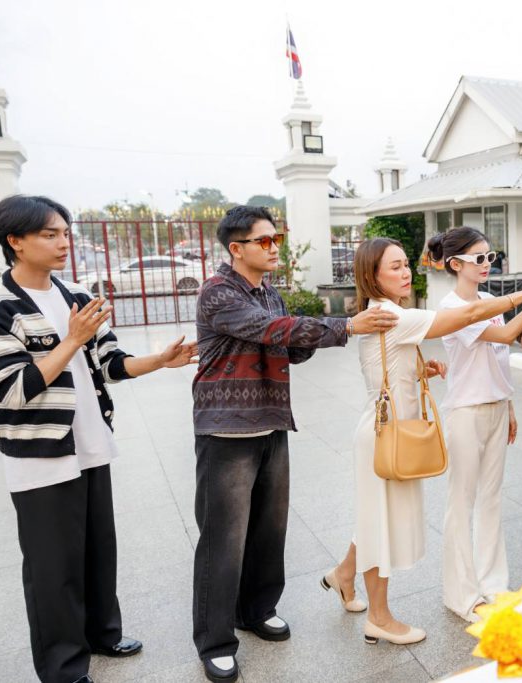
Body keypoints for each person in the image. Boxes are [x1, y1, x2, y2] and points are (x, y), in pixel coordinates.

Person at [0, 195, 199, 683]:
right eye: (50, 234)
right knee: (53, 568)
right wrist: (70, 340)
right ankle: (63, 667)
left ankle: (102, 634)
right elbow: (11, 389)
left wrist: (159, 361)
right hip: (39, 454)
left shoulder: (74, 294)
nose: (63, 243)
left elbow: (109, 363)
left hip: (90, 444)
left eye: (66, 233)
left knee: (97, 551)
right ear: (15, 241)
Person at [190, 206, 399, 683]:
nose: (273, 248)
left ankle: (256, 610)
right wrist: (346, 326)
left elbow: (287, 344)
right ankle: (215, 641)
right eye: (263, 241)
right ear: (236, 248)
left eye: (276, 239)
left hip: (270, 421)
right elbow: (269, 330)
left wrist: (310, 336)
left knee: (269, 529)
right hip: (226, 430)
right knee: (223, 540)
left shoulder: (270, 293)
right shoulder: (218, 292)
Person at [324, 238, 522, 644]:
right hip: (384, 434)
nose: (406, 273)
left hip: (393, 429)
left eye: (405, 264)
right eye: (395, 267)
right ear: (372, 276)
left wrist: (422, 370)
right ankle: (379, 618)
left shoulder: (390, 313)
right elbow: (468, 315)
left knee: (378, 518)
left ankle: (344, 574)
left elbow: (385, 367)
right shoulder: (389, 314)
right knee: (379, 524)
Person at [427, 227, 522, 622]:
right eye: (479, 258)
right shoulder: (451, 307)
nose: (487, 264)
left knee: (491, 500)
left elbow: (499, 356)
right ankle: (461, 595)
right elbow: (505, 335)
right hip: (466, 412)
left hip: (494, 408)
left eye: (490, 256)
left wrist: (508, 406)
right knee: (461, 503)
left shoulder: (490, 299)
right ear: (455, 264)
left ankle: (494, 585)